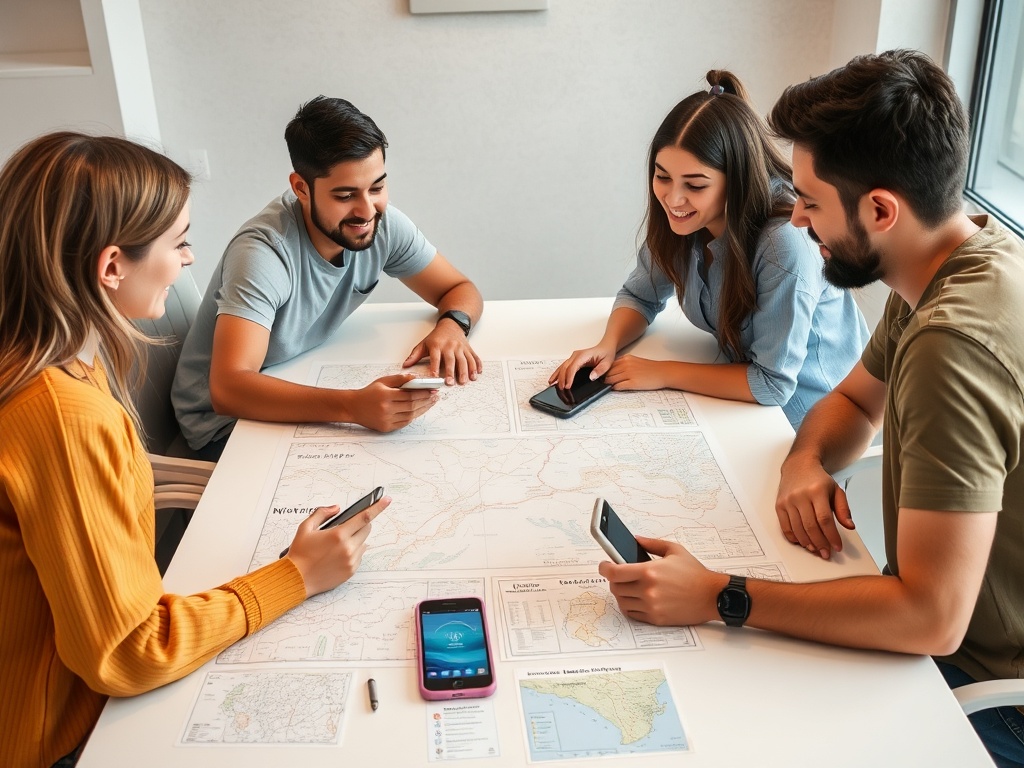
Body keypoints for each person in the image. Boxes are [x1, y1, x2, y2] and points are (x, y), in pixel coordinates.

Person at [598, 51, 1024, 768]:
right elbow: (854, 398)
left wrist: (720, 596)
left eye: (811, 202)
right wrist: (805, 458)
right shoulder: (958, 256)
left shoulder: (951, 344)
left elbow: (931, 619)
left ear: (880, 211)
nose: (796, 216)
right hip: (950, 629)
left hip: (989, 691)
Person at [0, 132, 388, 768]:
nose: (188, 260)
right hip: (62, 742)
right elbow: (129, 653)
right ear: (112, 266)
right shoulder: (64, 415)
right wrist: (295, 576)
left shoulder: (48, 363)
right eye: (178, 242)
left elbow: (98, 489)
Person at [551, 70, 868, 430]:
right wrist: (607, 345)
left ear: (737, 181)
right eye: (662, 176)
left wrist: (662, 372)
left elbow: (772, 384)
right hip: (739, 399)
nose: (673, 199)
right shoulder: (684, 221)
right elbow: (640, 295)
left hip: (811, 414)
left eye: (695, 185)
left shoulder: (783, 244)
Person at [172, 96, 484, 460]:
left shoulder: (380, 224)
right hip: (224, 427)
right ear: (301, 188)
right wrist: (352, 407)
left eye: (377, 188)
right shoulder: (262, 254)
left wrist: (453, 325)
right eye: (345, 195)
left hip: (291, 383)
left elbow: (459, 288)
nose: (366, 210)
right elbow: (229, 390)